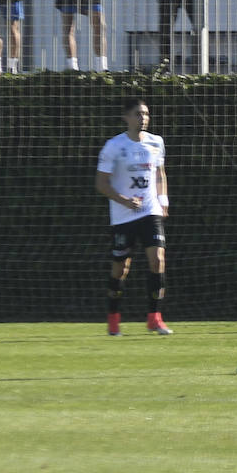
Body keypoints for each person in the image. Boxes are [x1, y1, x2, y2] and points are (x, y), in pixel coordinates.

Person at [95, 97, 172, 336]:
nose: (143, 118)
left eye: (146, 114)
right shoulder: (113, 146)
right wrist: (124, 200)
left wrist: (163, 201)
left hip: (150, 212)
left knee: (158, 260)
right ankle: (114, 318)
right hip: (123, 216)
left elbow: (160, 173)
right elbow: (101, 183)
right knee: (120, 269)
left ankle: (154, 318)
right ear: (126, 117)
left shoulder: (156, 142)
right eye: (138, 114)